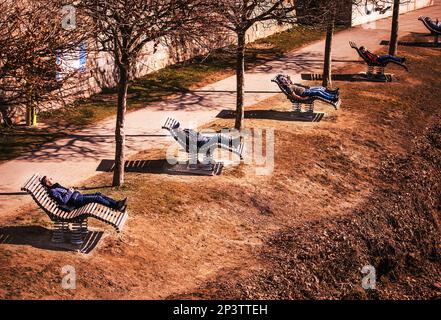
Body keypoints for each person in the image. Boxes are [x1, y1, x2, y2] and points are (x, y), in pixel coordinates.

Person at [41, 176, 128, 212]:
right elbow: (63, 201)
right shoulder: (52, 191)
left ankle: (117, 204)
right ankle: (117, 207)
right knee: (97, 198)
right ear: (47, 184)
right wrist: (70, 192)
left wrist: (70, 190)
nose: (51, 179)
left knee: (99, 194)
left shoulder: (55, 186)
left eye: (50, 178)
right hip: (75, 201)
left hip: (76, 197)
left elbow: (65, 193)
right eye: (48, 180)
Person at [275, 74, 340, 108]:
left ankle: (332, 93)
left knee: (320, 88)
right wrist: (303, 98)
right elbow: (294, 96)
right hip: (304, 93)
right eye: (283, 80)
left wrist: (287, 78)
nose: (285, 80)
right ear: (281, 84)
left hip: (306, 90)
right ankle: (332, 98)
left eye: (285, 79)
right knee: (318, 92)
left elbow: (290, 80)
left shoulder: (289, 84)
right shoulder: (288, 88)